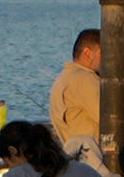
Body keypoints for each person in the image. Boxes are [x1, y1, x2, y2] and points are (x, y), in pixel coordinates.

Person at [47, 27, 114, 162]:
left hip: (75, 159)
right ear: (88, 54)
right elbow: (110, 121)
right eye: (104, 52)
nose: (110, 58)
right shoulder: (85, 79)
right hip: (94, 160)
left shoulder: (63, 79)